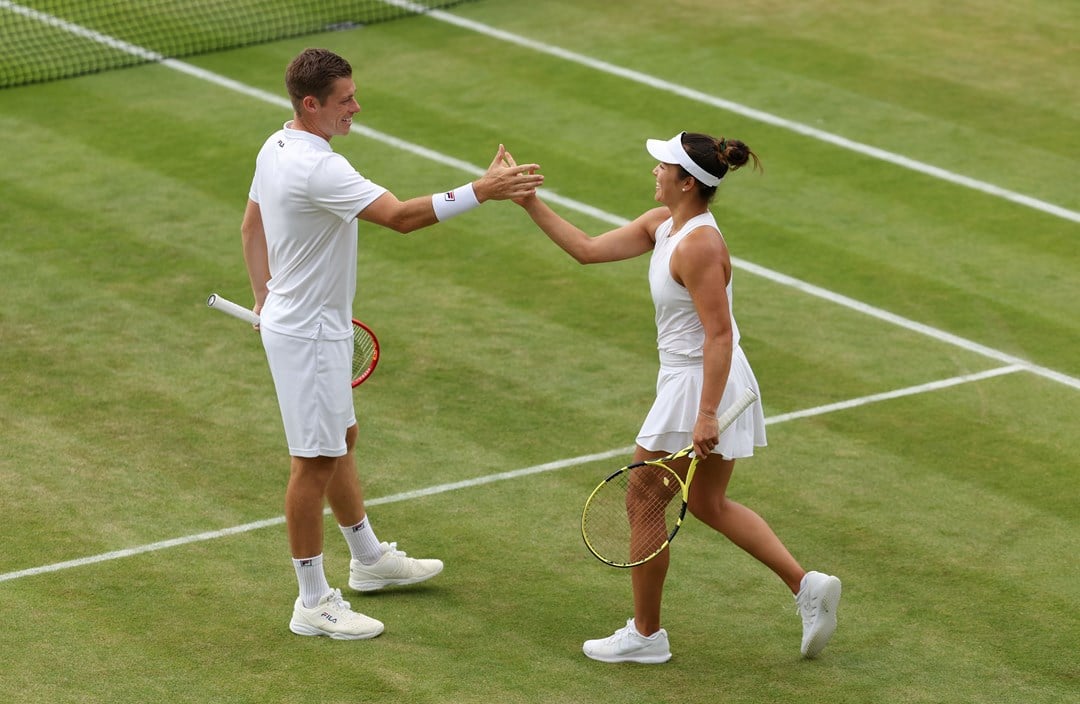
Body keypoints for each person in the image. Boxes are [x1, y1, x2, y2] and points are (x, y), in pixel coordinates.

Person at [240, 48, 543, 640]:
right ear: (311, 104)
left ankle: (369, 560)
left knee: (341, 440)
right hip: (307, 333)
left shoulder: (275, 146)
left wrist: (262, 296)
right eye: (344, 99)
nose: (356, 106)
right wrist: (482, 190)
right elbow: (402, 217)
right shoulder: (319, 168)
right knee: (313, 463)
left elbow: (251, 226)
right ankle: (311, 601)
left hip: (309, 324)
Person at [507, 131, 841, 662]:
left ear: (688, 181)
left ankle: (646, 635)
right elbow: (588, 251)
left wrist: (706, 414)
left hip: (701, 383)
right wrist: (529, 202)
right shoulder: (663, 225)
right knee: (707, 502)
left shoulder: (699, 245)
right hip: (698, 380)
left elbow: (720, 334)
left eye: (664, 165)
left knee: (642, 500)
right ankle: (807, 587)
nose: (655, 170)